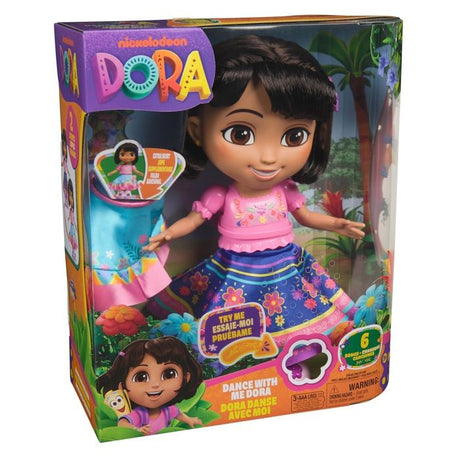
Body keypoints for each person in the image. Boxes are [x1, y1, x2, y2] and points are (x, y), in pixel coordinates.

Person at [144, 35, 365, 347]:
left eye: (294, 136)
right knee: (229, 318)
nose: (268, 157)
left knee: (295, 306)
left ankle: (294, 344)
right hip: (237, 268)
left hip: (284, 264)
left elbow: (306, 217)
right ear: (196, 130)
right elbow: (194, 220)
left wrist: (337, 223)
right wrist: (168, 234)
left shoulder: (286, 190)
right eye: (241, 134)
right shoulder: (221, 195)